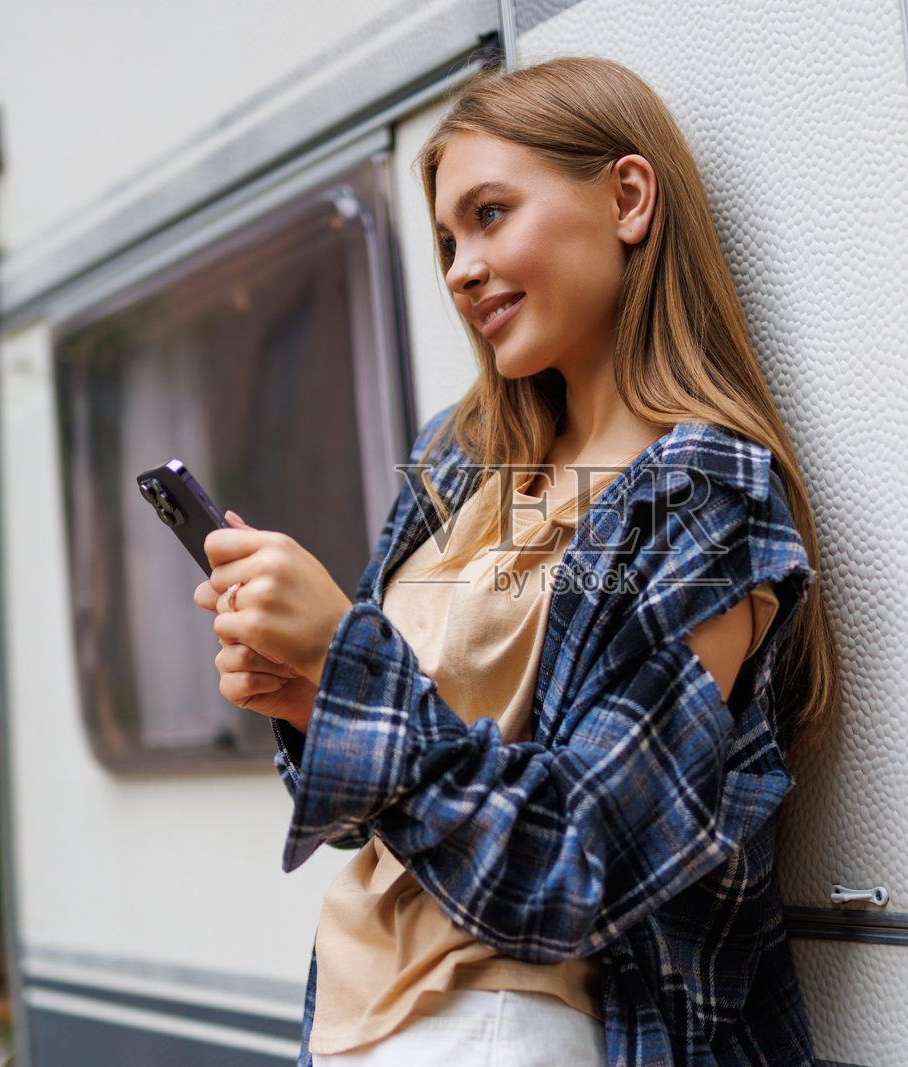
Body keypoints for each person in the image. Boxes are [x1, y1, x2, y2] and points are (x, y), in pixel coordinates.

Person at [193, 56, 840, 1067]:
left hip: (520, 1024)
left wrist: (345, 660)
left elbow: (573, 862)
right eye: (449, 240)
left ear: (628, 199)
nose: (459, 268)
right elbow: (377, 800)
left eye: (491, 214)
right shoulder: (459, 460)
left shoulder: (702, 496)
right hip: (354, 1013)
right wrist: (310, 693)